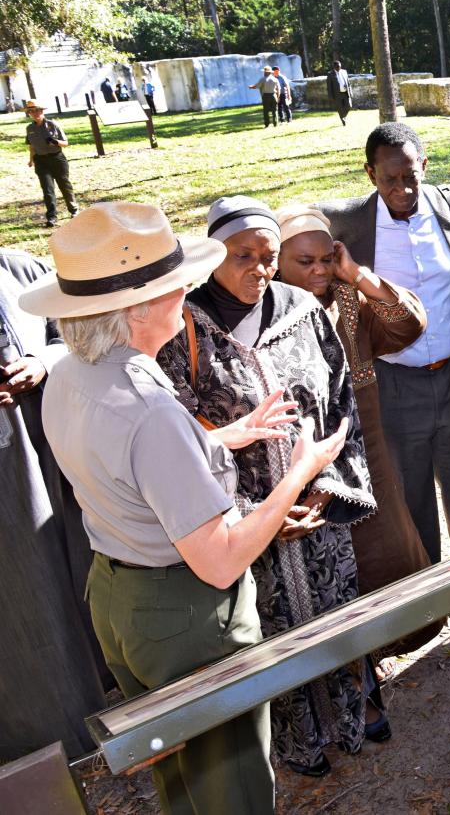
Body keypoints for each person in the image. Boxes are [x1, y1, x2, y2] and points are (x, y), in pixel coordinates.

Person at [25, 201, 351, 814]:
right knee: (233, 793)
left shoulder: (72, 374)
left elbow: (121, 467)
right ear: (138, 308)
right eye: (174, 284)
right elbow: (221, 562)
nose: (187, 291)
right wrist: (299, 474)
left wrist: (221, 439)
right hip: (187, 620)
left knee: (183, 780)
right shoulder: (150, 409)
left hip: (121, 600)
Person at [156, 195, 382, 776]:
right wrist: (252, 513)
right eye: (242, 256)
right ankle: (301, 744)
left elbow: (340, 407)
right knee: (269, 633)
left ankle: (350, 722)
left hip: (316, 511)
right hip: (245, 527)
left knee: (334, 615)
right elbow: (180, 441)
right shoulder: (184, 328)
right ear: (211, 257)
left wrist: (326, 487)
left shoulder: (303, 310)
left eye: (269, 256)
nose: (258, 268)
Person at [319, 123, 450, 601]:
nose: (401, 189)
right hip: (394, 381)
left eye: (410, 177)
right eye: (388, 180)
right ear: (370, 175)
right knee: (410, 482)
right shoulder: (349, 225)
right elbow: (292, 239)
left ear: (425, 165)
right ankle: (429, 575)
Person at [274, 205, 442, 656]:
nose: (319, 271)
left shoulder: (348, 301)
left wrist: (358, 275)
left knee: (388, 550)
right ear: (277, 263)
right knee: (327, 570)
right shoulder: (267, 319)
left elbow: (409, 324)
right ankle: (355, 667)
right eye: (304, 263)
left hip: (368, 455)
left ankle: (388, 644)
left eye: (326, 259)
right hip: (304, 465)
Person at [0, 248, 110, 761]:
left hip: (56, 449)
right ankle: (49, 736)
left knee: (83, 569)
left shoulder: (20, 270)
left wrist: (39, 363)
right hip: (8, 485)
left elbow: (69, 335)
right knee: (27, 598)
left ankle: (111, 694)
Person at [24, 99, 78, 228]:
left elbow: (65, 143)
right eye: (31, 111)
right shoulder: (30, 128)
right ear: (29, 113)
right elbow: (31, 146)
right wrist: (31, 160)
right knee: (47, 189)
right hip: (41, 161)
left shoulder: (53, 125)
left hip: (57, 159)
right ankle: (52, 217)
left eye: (36, 110)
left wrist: (54, 142)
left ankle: (74, 210)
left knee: (64, 185)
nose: (34, 113)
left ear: (42, 111)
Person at [328, 60, 352, 126]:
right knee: (340, 108)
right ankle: (343, 119)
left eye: (340, 66)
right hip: (337, 95)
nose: (339, 68)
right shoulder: (330, 74)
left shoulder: (344, 72)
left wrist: (350, 92)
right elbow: (329, 87)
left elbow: (348, 83)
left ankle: (343, 117)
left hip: (345, 92)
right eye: (337, 67)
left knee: (349, 106)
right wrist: (331, 97)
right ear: (334, 67)